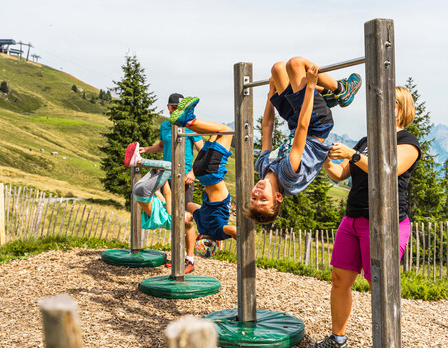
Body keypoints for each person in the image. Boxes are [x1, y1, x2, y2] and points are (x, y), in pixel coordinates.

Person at [310, 86, 421, 348]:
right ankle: (337, 339)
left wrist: (354, 155)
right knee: (339, 280)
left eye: (388, 101)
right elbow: (340, 175)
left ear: (402, 107)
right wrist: (327, 159)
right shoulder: (365, 139)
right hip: (353, 219)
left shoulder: (407, 141)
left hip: (385, 223)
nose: (379, 105)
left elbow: (386, 171)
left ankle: (387, 342)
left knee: (381, 286)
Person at [245, 56, 362, 224]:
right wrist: (311, 87)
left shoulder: (262, 167)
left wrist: (271, 95)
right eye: (263, 200)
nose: (257, 195)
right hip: (316, 125)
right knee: (296, 64)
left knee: (278, 68)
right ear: (278, 197)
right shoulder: (288, 174)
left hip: (296, 122)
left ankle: (325, 96)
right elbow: (303, 127)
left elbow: (267, 127)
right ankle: (342, 90)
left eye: (253, 199)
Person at [169, 96, 237, 242]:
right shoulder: (201, 224)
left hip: (213, 173)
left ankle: (188, 120)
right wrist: (205, 213)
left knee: (226, 131)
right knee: (216, 132)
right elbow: (190, 205)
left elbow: (233, 230)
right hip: (199, 171)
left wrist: (241, 240)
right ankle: (189, 119)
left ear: (216, 243)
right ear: (199, 237)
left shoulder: (218, 232)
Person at [124, 146, 197, 274]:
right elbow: (160, 194)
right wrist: (160, 176)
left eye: (186, 214)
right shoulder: (168, 215)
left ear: (184, 220)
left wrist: (165, 178)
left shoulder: (172, 217)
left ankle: (139, 161)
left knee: (170, 166)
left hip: (143, 193)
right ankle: (138, 159)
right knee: (157, 169)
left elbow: (168, 194)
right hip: (140, 190)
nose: (184, 211)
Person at [139, 93, 204, 211]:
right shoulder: (164, 126)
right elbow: (161, 146)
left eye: (180, 108)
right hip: (167, 175)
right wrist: (145, 149)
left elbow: (202, 150)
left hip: (185, 176)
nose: (176, 111)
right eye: (174, 108)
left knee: (185, 215)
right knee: (168, 212)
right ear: (168, 107)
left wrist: (193, 173)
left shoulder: (190, 125)